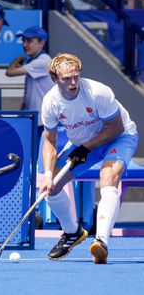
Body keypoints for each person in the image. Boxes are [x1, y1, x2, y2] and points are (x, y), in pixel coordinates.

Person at [39, 53, 138, 264]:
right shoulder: (50, 102)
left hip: (119, 137)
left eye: (76, 76)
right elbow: (49, 141)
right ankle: (72, 233)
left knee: (108, 175)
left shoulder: (98, 93)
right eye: (67, 79)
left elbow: (116, 128)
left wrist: (85, 148)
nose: (73, 82)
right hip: (83, 143)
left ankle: (100, 242)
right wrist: (48, 174)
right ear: (55, 78)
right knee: (52, 187)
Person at [5, 26, 53, 139]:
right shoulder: (36, 61)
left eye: (29, 41)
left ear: (41, 43)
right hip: (34, 119)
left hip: (42, 122)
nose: (24, 45)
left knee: (37, 155)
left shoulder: (43, 61)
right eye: (23, 40)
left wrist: (18, 59)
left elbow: (10, 72)